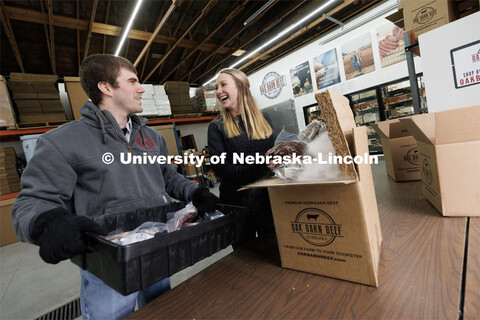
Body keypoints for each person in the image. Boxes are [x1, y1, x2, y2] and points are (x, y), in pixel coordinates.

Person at [11, 54, 218, 320]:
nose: (141, 88)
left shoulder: (152, 137)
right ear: (106, 87)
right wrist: (47, 223)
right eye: (132, 81)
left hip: (157, 244)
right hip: (108, 262)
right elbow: (31, 202)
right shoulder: (63, 142)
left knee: (161, 310)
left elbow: (167, 176)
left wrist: (195, 191)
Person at [208, 68, 276, 246]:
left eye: (223, 85)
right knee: (245, 261)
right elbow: (222, 169)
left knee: (272, 254)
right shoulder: (217, 126)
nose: (218, 91)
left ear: (241, 87)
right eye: (216, 87)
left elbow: (275, 156)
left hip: (268, 202)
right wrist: (261, 166)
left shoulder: (265, 119)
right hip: (236, 206)